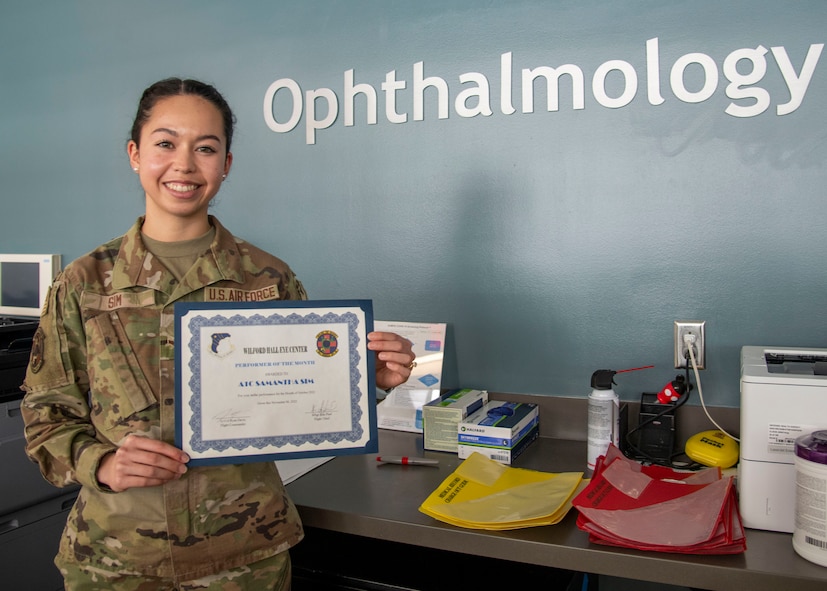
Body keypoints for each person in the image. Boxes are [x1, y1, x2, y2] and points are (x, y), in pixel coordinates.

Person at [20, 77, 416, 591]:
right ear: (135, 154)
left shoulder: (269, 279)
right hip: (116, 560)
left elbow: (304, 397)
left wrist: (370, 378)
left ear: (225, 165)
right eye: (165, 143)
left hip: (244, 558)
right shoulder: (83, 283)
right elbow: (45, 414)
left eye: (205, 148)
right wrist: (104, 463)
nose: (184, 164)